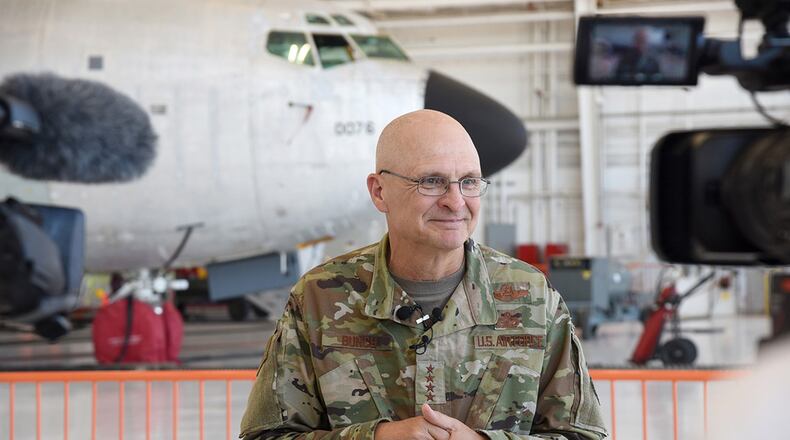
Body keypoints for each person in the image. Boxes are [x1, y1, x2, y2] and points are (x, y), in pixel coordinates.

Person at [240, 110, 607, 440]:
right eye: (431, 181)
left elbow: (584, 437)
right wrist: (375, 439)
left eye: (469, 181)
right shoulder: (321, 297)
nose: (455, 200)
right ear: (379, 191)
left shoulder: (532, 297)